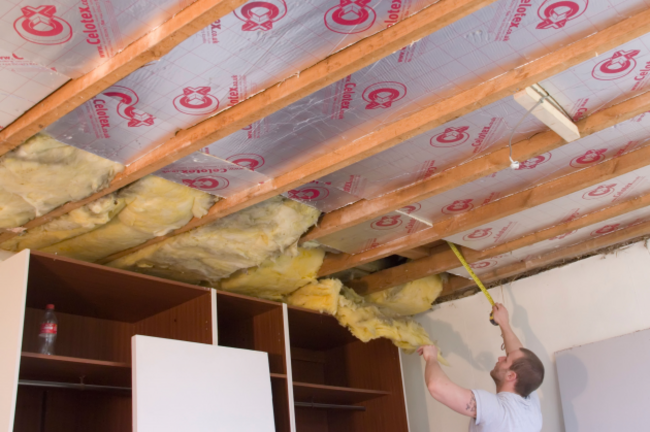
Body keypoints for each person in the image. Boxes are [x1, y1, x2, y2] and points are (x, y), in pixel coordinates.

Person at [417, 303, 544, 431]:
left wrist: (431, 358)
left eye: (505, 360)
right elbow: (520, 357)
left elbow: (436, 386)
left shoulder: (497, 411)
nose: (500, 358)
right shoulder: (530, 403)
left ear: (511, 376)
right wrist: (504, 324)